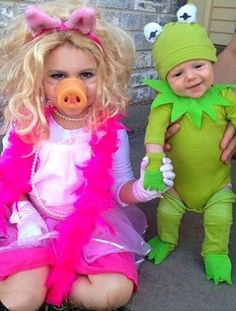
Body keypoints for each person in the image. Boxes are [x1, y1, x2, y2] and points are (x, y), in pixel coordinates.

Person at [0, 1, 176, 311]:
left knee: (112, 293)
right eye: (57, 75)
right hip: (31, 218)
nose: (74, 86)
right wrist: (27, 219)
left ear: (104, 75)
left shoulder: (111, 133)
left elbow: (117, 192)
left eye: (86, 74)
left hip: (88, 224)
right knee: (20, 301)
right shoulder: (28, 124)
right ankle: (36, 275)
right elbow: (11, 183)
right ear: (38, 79)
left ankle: (54, 276)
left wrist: (142, 189)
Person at [143, 3, 236, 285]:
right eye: (178, 73)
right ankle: (166, 240)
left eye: (198, 65)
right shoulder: (163, 105)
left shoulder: (226, 96)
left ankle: (216, 253)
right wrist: (155, 166)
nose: (192, 76)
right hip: (177, 186)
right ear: (165, 79)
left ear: (212, 62)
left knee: (220, 219)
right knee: (167, 212)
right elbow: (154, 136)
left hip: (216, 184)